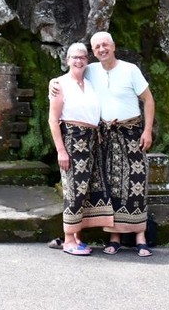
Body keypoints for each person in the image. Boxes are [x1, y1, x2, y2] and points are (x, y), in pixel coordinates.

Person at [50, 31, 156, 257]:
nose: (101, 49)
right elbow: (67, 77)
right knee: (110, 185)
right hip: (103, 137)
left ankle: (140, 237)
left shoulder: (129, 70)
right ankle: (112, 238)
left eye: (105, 45)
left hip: (130, 132)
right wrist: (53, 83)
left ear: (114, 46)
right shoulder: (89, 71)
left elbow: (148, 99)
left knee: (137, 182)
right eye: (96, 46)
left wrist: (147, 130)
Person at [47, 42, 115, 256]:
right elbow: (53, 119)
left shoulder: (90, 83)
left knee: (85, 190)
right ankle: (68, 240)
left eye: (83, 57)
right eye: (74, 57)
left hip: (92, 141)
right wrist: (61, 150)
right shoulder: (59, 84)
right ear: (67, 60)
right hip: (72, 140)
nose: (79, 60)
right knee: (73, 189)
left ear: (87, 60)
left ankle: (77, 236)